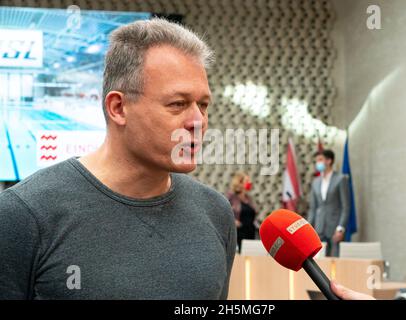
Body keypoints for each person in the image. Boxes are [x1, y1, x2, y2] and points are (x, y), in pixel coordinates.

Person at [0, 19, 236, 299]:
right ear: (118, 107)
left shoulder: (215, 212)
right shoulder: (23, 215)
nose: (198, 121)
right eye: (178, 104)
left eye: (203, 105)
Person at [308, 149, 350, 257]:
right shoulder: (316, 181)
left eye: (320, 159)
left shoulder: (341, 179)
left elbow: (346, 207)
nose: (318, 163)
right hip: (319, 228)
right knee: (319, 261)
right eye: (316, 160)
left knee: (334, 262)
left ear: (329, 161)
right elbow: (313, 208)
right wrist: (308, 228)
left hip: (334, 228)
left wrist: (340, 228)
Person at [226, 172, 258, 253]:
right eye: (247, 180)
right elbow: (225, 212)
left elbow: (253, 214)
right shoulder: (231, 197)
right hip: (239, 232)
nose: (250, 182)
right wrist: (233, 221)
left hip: (250, 231)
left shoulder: (249, 198)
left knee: (251, 254)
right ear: (239, 183)